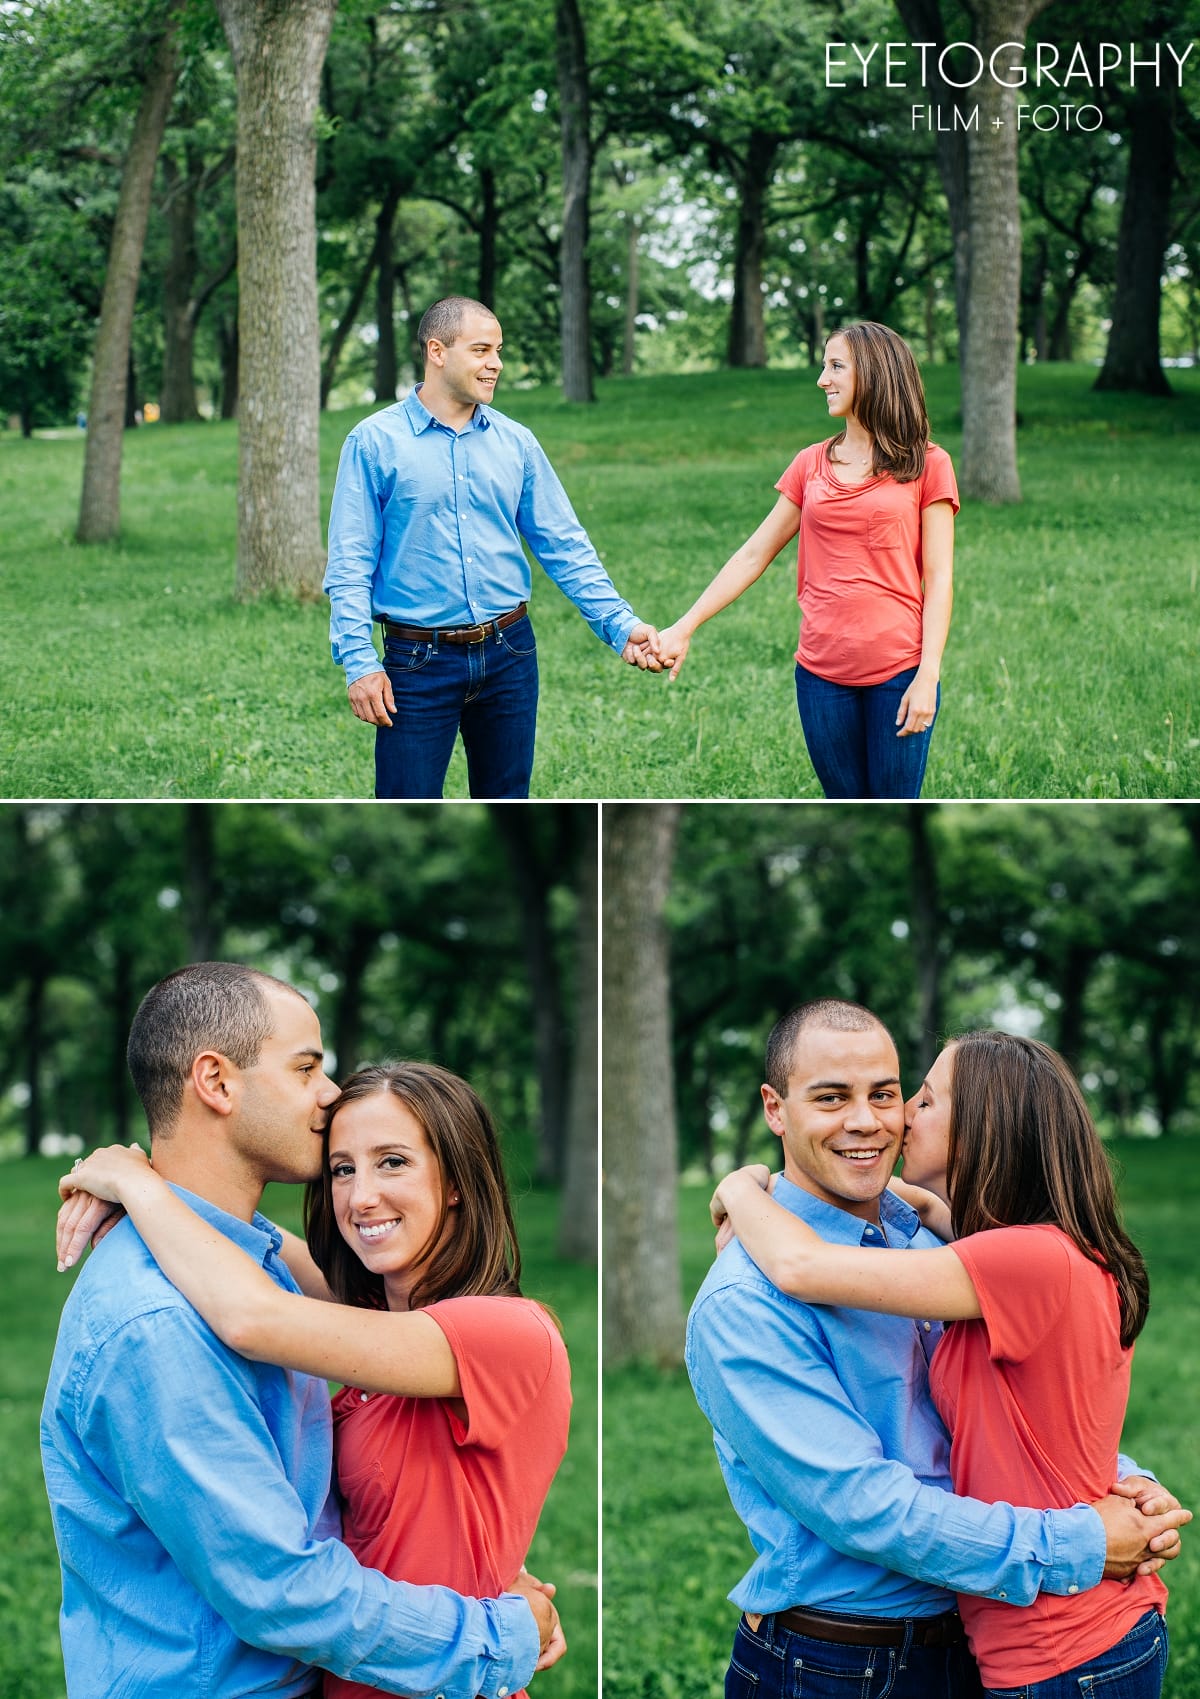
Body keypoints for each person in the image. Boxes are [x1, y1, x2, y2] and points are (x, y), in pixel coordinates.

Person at [42, 962, 560, 1699]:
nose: (328, 1093)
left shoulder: (265, 1278)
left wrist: (138, 1181)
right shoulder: (160, 1322)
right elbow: (280, 1589)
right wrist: (500, 1631)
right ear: (217, 1082)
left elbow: (259, 1302)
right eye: (308, 1066)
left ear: (453, 1185)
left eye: (392, 1162)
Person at [685, 999, 1188, 1699]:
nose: (871, 1119)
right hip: (848, 1666)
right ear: (776, 1108)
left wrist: (1116, 1480)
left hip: (1001, 1637)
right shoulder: (746, 1299)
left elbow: (1006, 1418)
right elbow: (866, 1505)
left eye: (893, 1095)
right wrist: (1084, 1539)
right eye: (831, 1097)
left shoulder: (936, 1249)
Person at [323, 293, 662, 799]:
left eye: (498, 351)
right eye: (482, 350)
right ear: (437, 351)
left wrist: (621, 624)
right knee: (405, 803)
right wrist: (359, 661)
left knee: (508, 800)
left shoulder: (517, 442)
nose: (496, 364)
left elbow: (564, 545)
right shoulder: (374, 442)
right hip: (416, 663)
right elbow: (350, 563)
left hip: (510, 652)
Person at [657, 322, 956, 798]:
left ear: (875, 375)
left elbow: (938, 577)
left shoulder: (927, 463)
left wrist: (928, 674)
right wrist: (685, 625)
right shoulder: (809, 464)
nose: (822, 379)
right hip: (820, 676)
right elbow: (753, 554)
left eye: (836, 366)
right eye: (824, 366)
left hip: (899, 671)